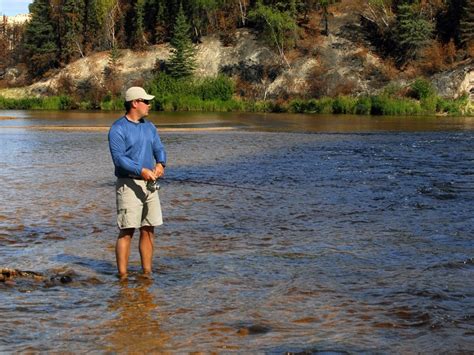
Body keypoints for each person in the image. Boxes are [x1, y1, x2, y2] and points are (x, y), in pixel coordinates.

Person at [108, 86, 166, 279]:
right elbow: (119, 159)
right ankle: (122, 277)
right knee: (127, 231)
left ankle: (147, 274)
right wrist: (141, 170)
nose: (149, 105)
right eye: (146, 101)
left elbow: (159, 148)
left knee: (149, 229)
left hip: (150, 185)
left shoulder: (149, 127)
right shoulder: (117, 129)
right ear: (135, 103)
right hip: (128, 184)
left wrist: (160, 164)